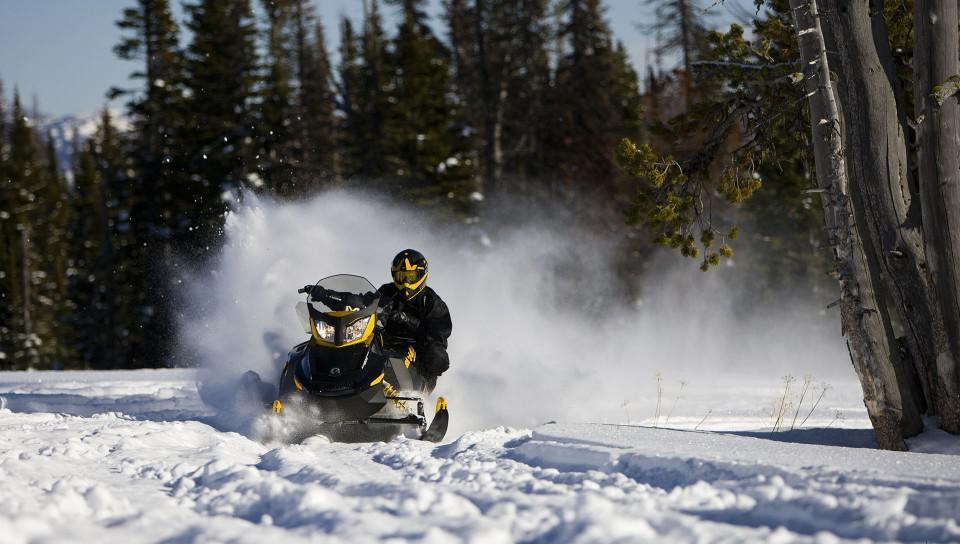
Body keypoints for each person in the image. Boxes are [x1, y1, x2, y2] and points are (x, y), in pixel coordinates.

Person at [378, 249, 452, 389]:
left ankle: (411, 392)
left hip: (418, 357)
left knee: (436, 356)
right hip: (384, 347)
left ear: (421, 275)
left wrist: (410, 321)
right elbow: (366, 303)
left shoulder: (432, 303)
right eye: (401, 276)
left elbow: (437, 340)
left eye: (411, 276)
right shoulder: (386, 292)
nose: (406, 283)